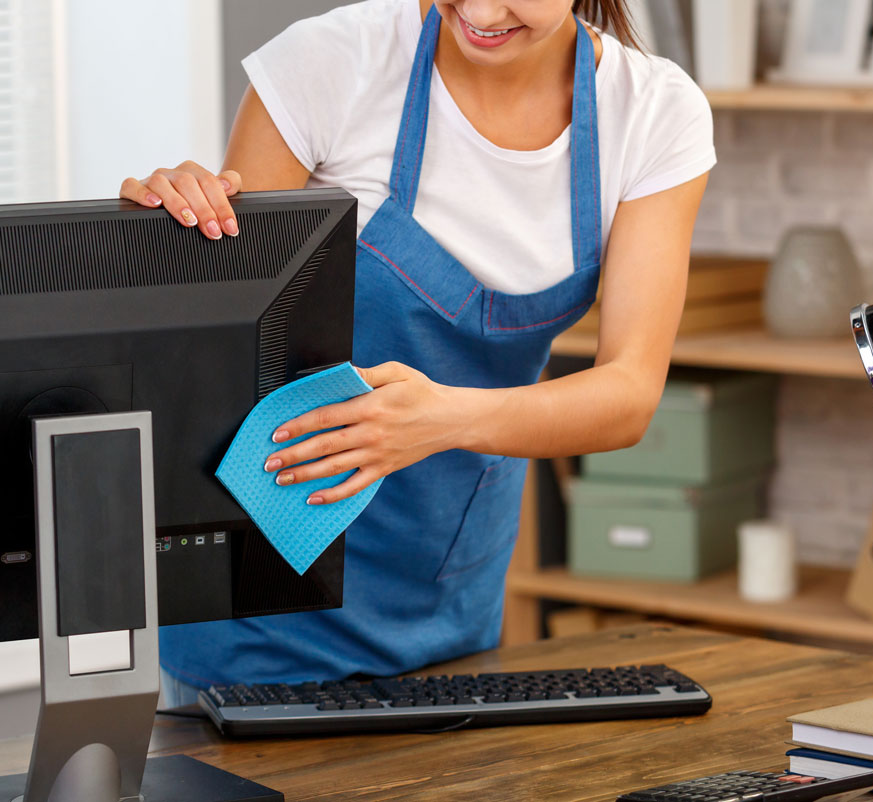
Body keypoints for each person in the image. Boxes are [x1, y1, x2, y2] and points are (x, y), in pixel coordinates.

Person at [122, 0, 714, 706]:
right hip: (258, 614)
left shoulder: (652, 113)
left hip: (449, 608)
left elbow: (627, 396)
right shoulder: (329, 63)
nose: (483, 11)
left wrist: (440, 421)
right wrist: (169, 234)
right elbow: (226, 344)